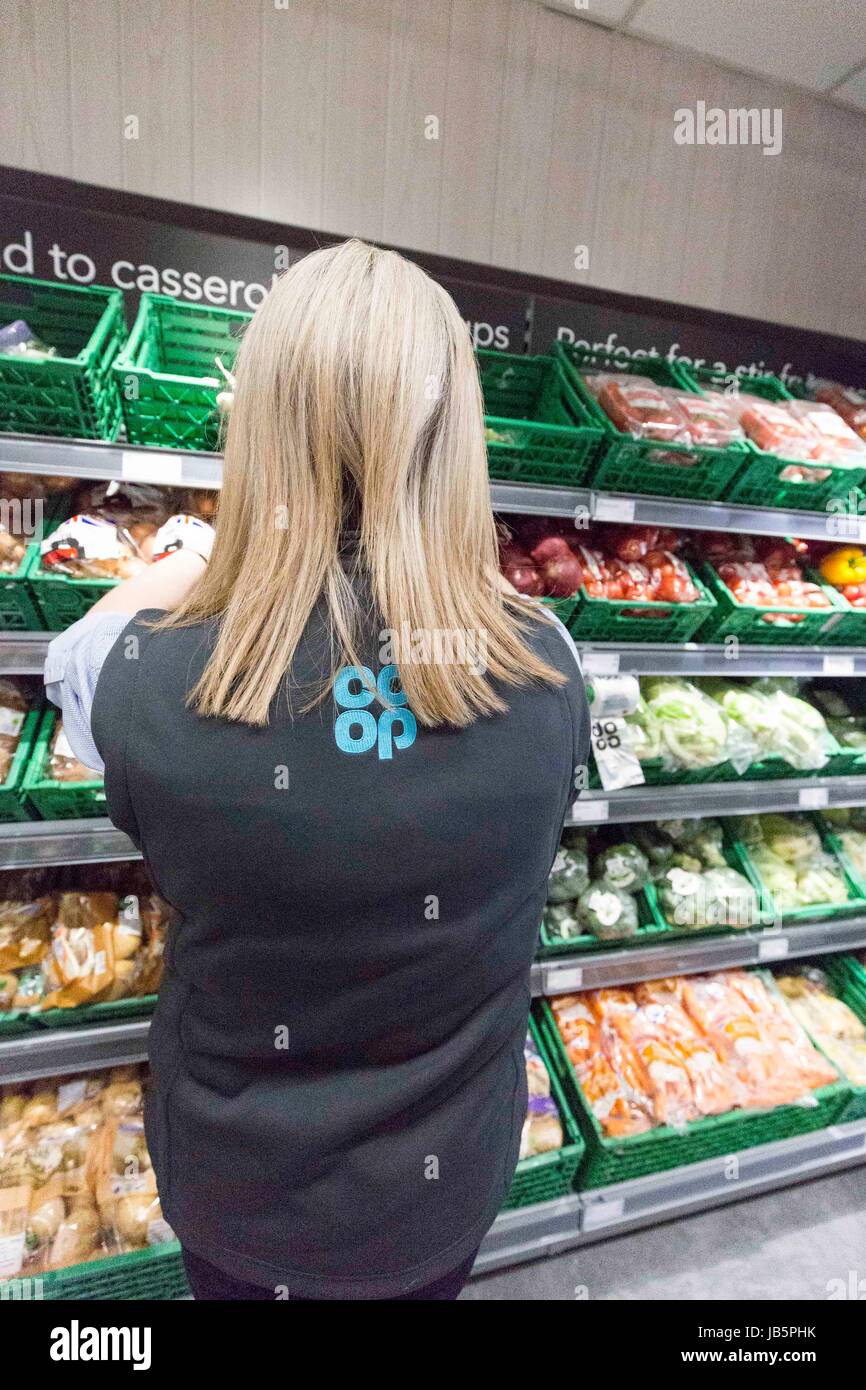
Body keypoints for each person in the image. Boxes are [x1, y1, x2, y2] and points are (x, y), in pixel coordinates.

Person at [45, 239, 589, 1301]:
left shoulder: (139, 671)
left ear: (259, 430)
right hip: (443, 1181)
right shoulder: (550, 663)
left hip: (243, 1187)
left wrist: (186, 562)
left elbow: (73, 666)